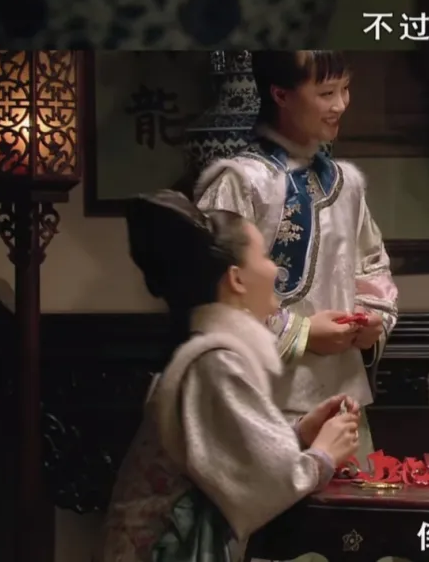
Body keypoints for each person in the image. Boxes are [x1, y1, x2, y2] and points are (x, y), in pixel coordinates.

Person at [101, 191, 361, 562]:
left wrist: (300, 434)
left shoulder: (208, 353)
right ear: (237, 279)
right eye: (265, 256)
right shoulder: (215, 362)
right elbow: (273, 482)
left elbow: (227, 454)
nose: (275, 270)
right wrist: (324, 454)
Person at [194, 51, 398, 466]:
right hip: (262, 403)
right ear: (281, 94)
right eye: (326, 93)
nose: (340, 105)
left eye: (345, 90)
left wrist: (370, 322)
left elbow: (372, 266)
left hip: (344, 400)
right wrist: (300, 332)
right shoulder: (239, 181)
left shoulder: (345, 184)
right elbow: (209, 292)